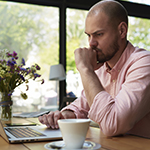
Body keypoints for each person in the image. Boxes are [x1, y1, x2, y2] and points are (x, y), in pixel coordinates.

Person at [39, 0, 150, 138]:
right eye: (89, 35)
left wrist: (85, 69)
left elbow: (111, 125)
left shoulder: (144, 63)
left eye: (99, 34)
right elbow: (83, 106)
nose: (91, 43)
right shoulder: (102, 67)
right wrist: (63, 116)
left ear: (122, 31)